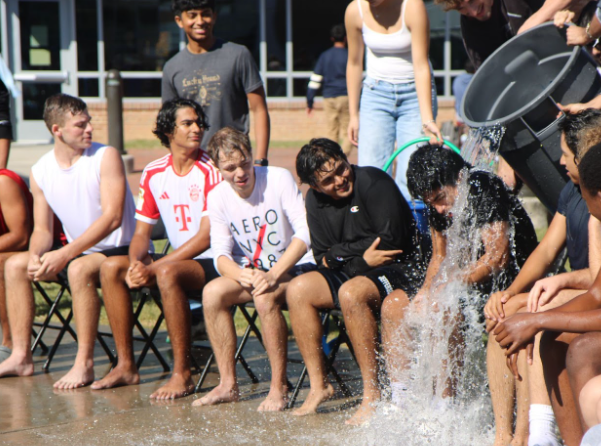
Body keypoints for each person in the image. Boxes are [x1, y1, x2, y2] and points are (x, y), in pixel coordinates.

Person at [381, 144, 537, 444]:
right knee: (395, 306)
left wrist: (449, 286)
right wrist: (426, 291)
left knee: (447, 303)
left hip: (514, 283)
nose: (438, 209)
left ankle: (447, 404)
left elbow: (497, 256)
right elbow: (439, 257)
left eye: (440, 199)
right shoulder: (438, 200)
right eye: (431, 203)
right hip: (476, 284)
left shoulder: (484, 187)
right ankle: (402, 400)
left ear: (459, 177)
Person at [0, 93, 136, 389]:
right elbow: (43, 231)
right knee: (15, 266)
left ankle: (84, 362)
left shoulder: (105, 156)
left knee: (77, 268)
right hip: (79, 252)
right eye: (80, 125)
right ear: (56, 130)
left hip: (121, 250)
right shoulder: (41, 171)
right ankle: (21, 355)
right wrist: (37, 255)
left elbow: (112, 218)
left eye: (88, 122)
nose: (89, 129)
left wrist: (64, 254)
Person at [484, 109, 601, 446]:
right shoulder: (576, 191)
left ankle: (540, 434)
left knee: (578, 350)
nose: (562, 161)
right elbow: (597, 294)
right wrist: (536, 321)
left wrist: (538, 320)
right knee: (548, 334)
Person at [91, 98, 222, 399]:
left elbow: (205, 237)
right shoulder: (153, 172)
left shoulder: (210, 169)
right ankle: (125, 365)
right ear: (167, 131)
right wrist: (138, 261)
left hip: (217, 261)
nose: (196, 128)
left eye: (199, 122)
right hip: (178, 261)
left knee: (166, 273)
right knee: (112, 267)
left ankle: (182, 374)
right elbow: (141, 233)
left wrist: (154, 267)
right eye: (187, 123)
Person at [286, 138, 422, 425]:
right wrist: (359, 259)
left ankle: (372, 394)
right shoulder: (313, 201)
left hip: (401, 267)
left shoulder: (373, 182)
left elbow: (391, 242)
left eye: (341, 168)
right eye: (328, 179)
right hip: (359, 267)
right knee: (298, 290)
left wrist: (343, 256)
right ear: (314, 185)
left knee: (351, 293)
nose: (340, 179)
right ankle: (318, 385)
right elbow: (323, 255)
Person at [193, 127, 315, 411]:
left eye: (245, 163)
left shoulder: (277, 178)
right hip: (257, 272)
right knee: (212, 293)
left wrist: (274, 274)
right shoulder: (218, 196)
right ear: (217, 168)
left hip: (296, 267)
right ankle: (227, 384)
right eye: (230, 167)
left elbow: (306, 233)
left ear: (252, 157)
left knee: (264, 295)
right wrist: (240, 274)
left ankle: (278, 387)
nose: (240, 173)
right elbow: (220, 255)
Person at [345, 0, 442, 204]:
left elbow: (421, 64)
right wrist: (353, 114)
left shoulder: (412, 6)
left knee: (412, 176)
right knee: (371, 173)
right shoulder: (355, 11)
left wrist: (427, 120)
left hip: (414, 95)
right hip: (375, 94)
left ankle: (412, 230)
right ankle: (380, 229)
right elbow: (354, 63)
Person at [162, 0, 270, 165]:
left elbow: (259, 109)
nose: (200, 21)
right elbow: (170, 123)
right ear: (179, 21)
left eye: (205, 14)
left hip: (234, 160)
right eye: (192, 15)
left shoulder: (238, 55)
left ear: (214, 16)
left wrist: (260, 161)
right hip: (194, 163)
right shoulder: (172, 67)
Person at [0, 169, 33, 362]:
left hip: (38, 248)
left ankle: (9, 342)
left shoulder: (4, 182)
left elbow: (20, 237)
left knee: (1, 263)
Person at [306, 24, 352, 156]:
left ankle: (334, 157)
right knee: (350, 131)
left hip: (329, 97)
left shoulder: (324, 56)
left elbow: (315, 80)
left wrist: (310, 101)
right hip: (346, 97)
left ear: (332, 38)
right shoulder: (349, 55)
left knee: (332, 132)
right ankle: (342, 155)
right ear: (345, 38)